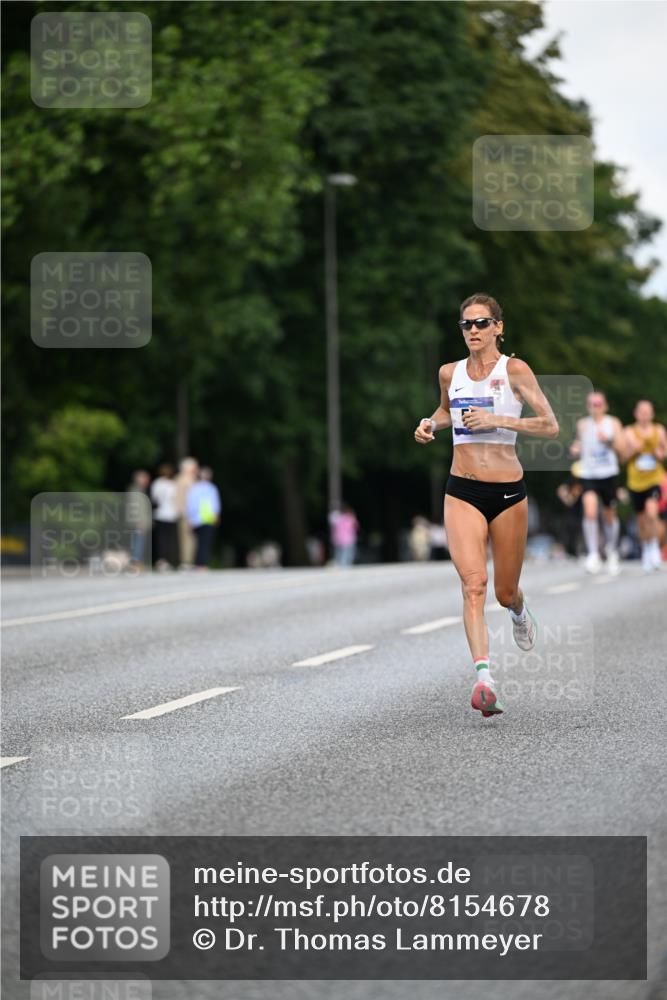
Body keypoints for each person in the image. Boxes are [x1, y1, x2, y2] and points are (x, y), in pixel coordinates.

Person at [414, 292, 558, 719]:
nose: (473, 331)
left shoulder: (514, 369)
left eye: (482, 323)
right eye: (466, 325)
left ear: (499, 327)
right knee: (473, 585)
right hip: (462, 491)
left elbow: (550, 426)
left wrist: (498, 419)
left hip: (508, 493)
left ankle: (517, 608)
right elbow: (446, 411)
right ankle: (484, 679)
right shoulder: (449, 373)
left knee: (503, 590)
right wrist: (429, 424)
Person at [569, 391, 624, 575]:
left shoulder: (613, 423)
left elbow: (622, 449)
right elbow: (578, 444)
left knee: (609, 514)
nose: (596, 407)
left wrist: (607, 440)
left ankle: (612, 550)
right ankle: (593, 553)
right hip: (589, 474)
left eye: (599, 403)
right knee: (590, 511)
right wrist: (575, 448)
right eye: (592, 404)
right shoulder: (583, 425)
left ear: (605, 406)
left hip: (608, 473)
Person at [623, 399, 667, 572]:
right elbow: (624, 457)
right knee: (641, 520)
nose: (645, 415)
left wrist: (659, 454)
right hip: (635, 482)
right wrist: (634, 449)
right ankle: (647, 549)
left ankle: (655, 548)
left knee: (652, 513)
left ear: (652, 413)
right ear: (636, 413)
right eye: (642, 411)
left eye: (647, 411)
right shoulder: (629, 431)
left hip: (654, 479)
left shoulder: (659, 430)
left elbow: (664, 453)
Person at [186, 467, 222, 570]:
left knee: (199, 542)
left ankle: (198, 563)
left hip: (197, 519)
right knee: (205, 542)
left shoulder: (194, 488)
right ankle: (202, 564)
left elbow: (190, 504)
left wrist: (190, 518)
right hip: (208, 518)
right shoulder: (212, 488)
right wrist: (216, 516)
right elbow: (215, 504)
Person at [150, 464, 179, 570]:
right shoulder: (172, 484)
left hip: (160, 514)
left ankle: (161, 560)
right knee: (168, 539)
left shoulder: (156, 483)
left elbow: (154, 499)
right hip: (170, 514)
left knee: (161, 538)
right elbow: (175, 498)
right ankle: (166, 560)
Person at [175, 456, 199, 569]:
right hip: (186, 514)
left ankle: (190, 561)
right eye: (194, 468)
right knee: (186, 538)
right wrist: (183, 512)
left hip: (194, 514)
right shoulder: (182, 480)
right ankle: (185, 562)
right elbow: (179, 498)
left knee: (192, 539)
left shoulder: (193, 480)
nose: (196, 470)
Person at [125, 469, 152, 568]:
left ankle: (137, 561)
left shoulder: (140, 490)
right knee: (138, 542)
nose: (147, 480)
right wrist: (139, 521)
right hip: (139, 522)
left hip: (141, 521)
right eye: (145, 478)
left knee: (139, 541)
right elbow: (135, 507)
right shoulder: (135, 491)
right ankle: (136, 562)